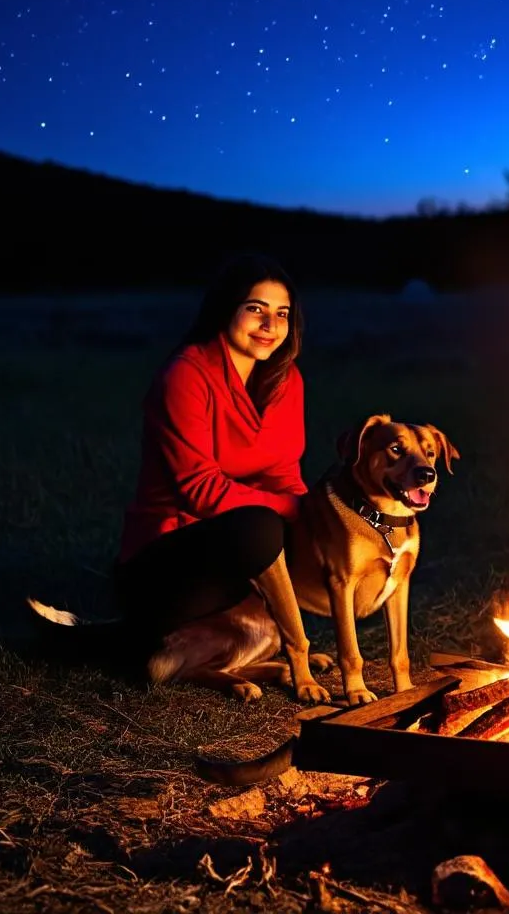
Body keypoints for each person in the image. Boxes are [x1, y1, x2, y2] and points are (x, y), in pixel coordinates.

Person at [112, 251, 328, 701]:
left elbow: (286, 474)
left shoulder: (286, 381)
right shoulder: (185, 376)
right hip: (165, 568)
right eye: (256, 309)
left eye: (281, 314)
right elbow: (200, 490)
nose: (270, 325)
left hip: (231, 562)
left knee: (310, 526)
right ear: (225, 309)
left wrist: (319, 525)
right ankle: (154, 644)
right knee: (262, 528)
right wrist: (293, 511)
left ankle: (260, 652)